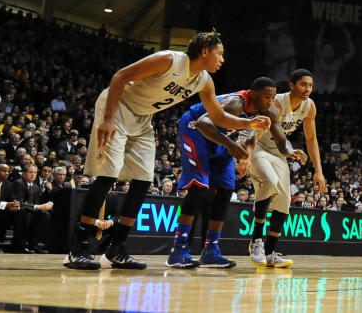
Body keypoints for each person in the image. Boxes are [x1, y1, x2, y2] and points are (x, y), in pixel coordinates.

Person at [63, 31, 270, 270]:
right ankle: (79, 247)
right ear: (205, 51)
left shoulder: (204, 80)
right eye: (220, 54)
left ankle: (116, 248)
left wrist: (248, 124)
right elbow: (120, 77)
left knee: (142, 181)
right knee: (108, 175)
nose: (222, 59)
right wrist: (108, 118)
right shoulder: (168, 60)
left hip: (142, 119)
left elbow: (218, 117)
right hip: (117, 108)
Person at [167, 78, 278, 269]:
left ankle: (210, 250)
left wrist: (246, 156)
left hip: (218, 137)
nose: (270, 101)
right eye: (267, 96)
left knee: (226, 188)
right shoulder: (236, 103)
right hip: (194, 127)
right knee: (199, 187)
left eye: (273, 97)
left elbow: (251, 135)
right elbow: (203, 123)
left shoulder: (263, 111)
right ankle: (178, 251)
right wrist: (230, 144)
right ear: (253, 94)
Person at [247, 69, 320, 268]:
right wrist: (246, 155)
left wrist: (318, 171)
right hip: (257, 144)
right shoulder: (277, 103)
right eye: (303, 84)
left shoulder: (309, 106)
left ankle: (270, 252)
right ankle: (256, 242)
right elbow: (257, 133)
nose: (308, 89)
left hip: (279, 151)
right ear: (292, 85)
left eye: (311, 85)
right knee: (270, 183)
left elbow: (311, 139)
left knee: (284, 201)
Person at [12, 164, 53, 253]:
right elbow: (19, 203)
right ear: (23, 174)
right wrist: (39, 207)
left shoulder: (35, 187)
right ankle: (20, 244)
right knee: (26, 212)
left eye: (35, 172)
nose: (33, 174)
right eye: (30, 172)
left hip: (29, 212)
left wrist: (45, 207)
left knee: (45, 215)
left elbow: (37, 204)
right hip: (15, 212)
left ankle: (33, 245)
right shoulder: (18, 183)